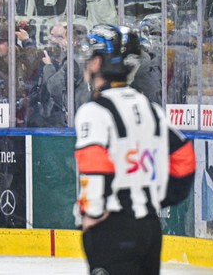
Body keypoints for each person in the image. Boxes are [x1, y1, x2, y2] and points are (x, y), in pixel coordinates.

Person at [74, 24, 196, 274]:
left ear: (98, 63)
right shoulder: (149, 108)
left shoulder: (94, 110)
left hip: (112, 228)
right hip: (149, 228)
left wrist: (93, 212)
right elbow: (184, 156)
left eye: (90, 57)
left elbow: (94, 162)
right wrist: (159, 200)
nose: (85, 64)